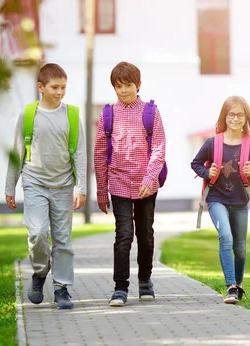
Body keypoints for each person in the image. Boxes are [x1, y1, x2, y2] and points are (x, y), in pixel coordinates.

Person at [5, 63, 87, 309]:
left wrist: (81, 187)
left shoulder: (71, 115)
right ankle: (40, 273)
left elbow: (79, 154)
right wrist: (10, 186)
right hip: (34, 183)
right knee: (38, 233)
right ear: (40, 87)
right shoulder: (28, 114)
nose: (60, 92)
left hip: (63, 185)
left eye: (63, 87)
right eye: (54, 87)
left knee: (63, 240)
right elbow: (17, 152)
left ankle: (61, 288)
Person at [94, 61, 166, 307]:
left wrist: (149, 178)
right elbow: (100, 154)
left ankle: (145, 281)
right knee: (124, 235)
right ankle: (120, 288)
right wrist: (102, 191)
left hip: (146, 184)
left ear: (139, 85)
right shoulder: (107, 114)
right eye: (118, 86)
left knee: (145, 235)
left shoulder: (150, 112)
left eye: (128, 85)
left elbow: (159, 147)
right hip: (119, 183)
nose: (123, 91)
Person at [191, 95, 250, 304]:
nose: (235, 118)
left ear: (246, 117)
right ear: (225, 116)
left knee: (240, 247)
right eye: (231, 114)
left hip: (240, 201)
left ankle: (239, 286)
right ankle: (231, 286)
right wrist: (207, 172)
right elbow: (195, 163)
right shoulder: (213, 143)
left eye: (240, 115)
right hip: (216, 199)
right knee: (226, 237)